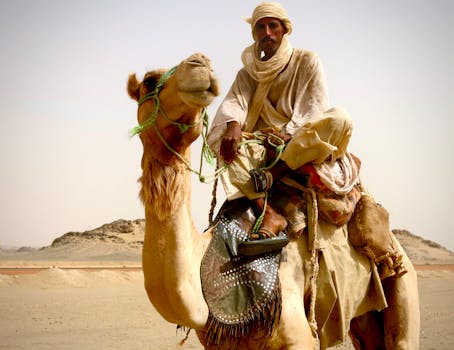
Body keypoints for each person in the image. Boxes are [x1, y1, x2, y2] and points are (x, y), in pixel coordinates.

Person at [207, 2, 356, 240]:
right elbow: (233, 104)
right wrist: (233, 125)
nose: (267, 32)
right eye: (260, 27)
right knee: (218, 138)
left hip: (300, 143)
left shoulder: (307, 61)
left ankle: (274, 174)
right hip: (261, 144)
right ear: (254, 33)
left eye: (272, 26)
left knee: (340, 118)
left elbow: (315, 107)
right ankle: (267, 212)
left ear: (284, 29)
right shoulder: (247, 73)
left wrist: (290, 133)